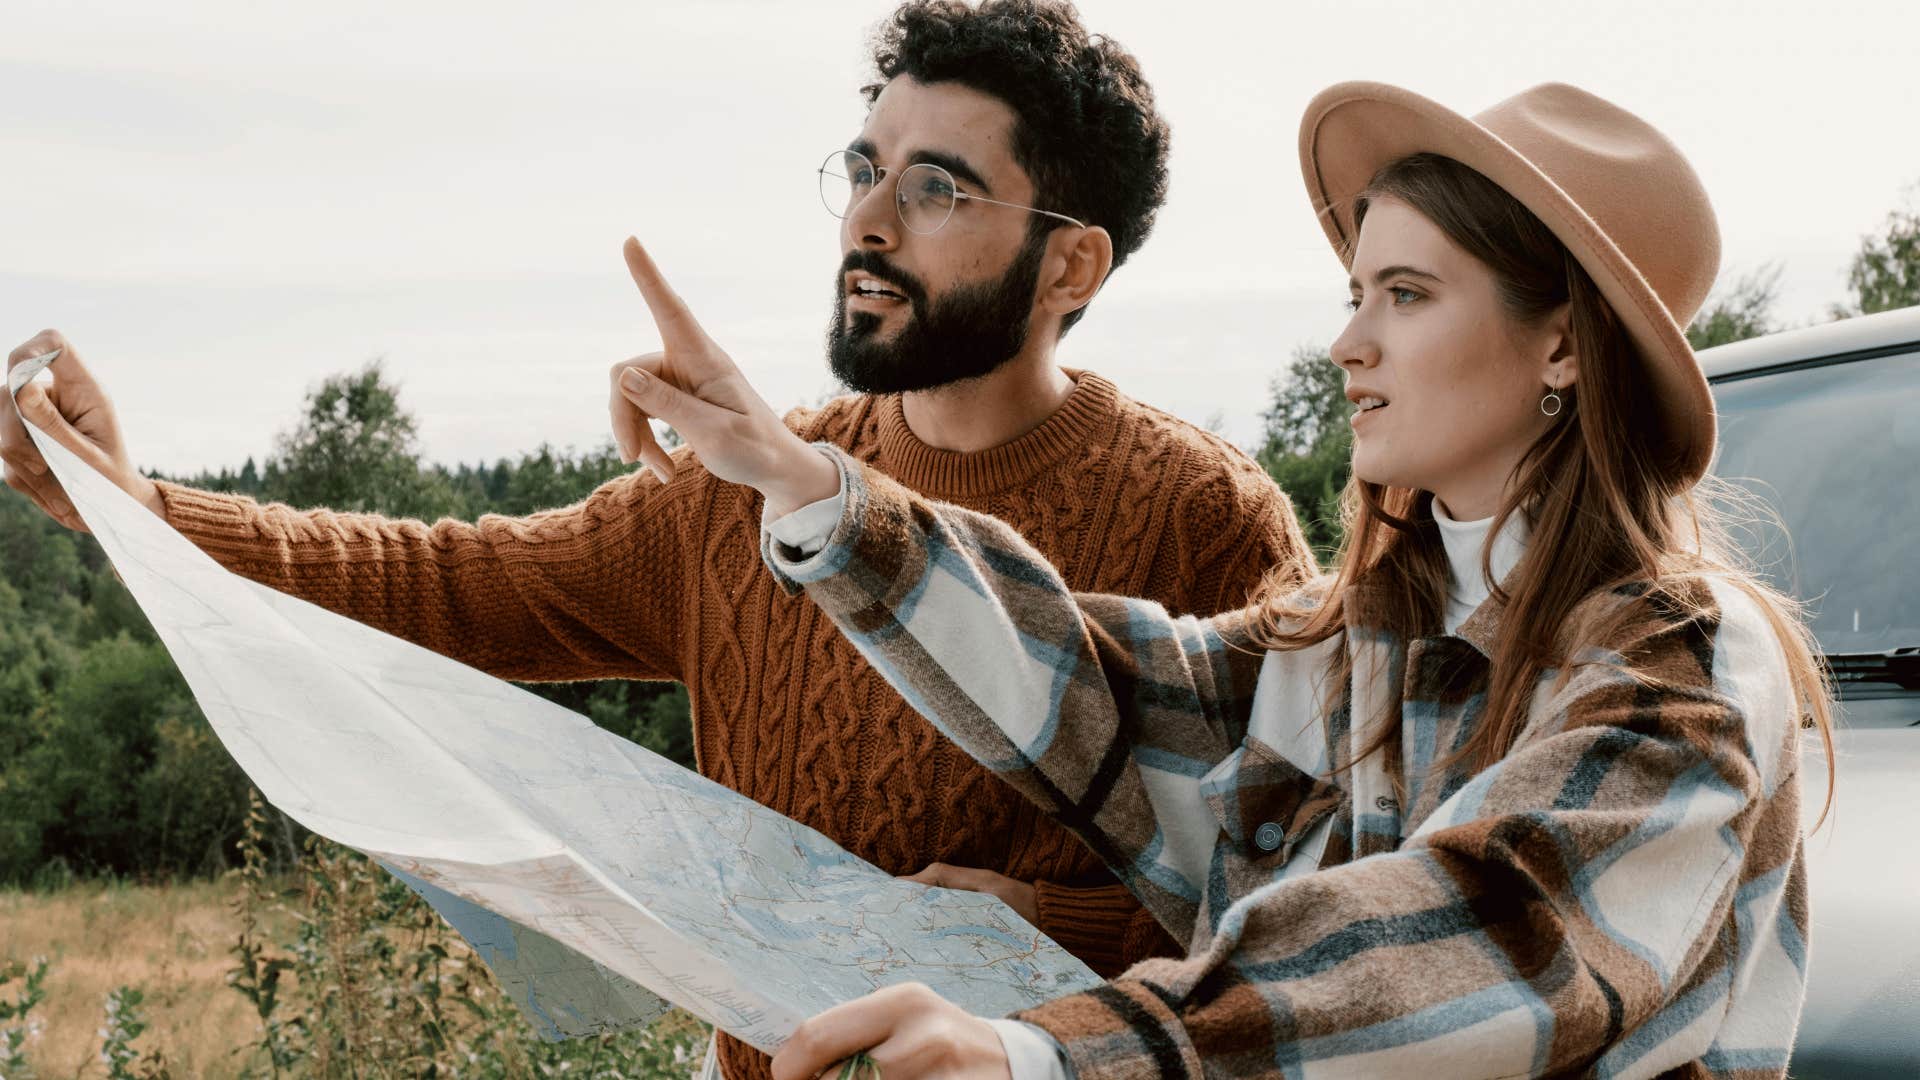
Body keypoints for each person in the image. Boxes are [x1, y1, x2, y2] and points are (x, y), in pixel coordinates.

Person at [0, 4, 1311, 1077]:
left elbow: (1310, 897)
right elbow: (445, 585)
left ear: (1071, 268)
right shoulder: (737, 492)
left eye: (937, 189)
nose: (868, 221)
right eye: (864, 170)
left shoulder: (1204, 518)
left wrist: (1052, 928)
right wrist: (130, 504)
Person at [599, 80, 1835, 1079]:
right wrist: (800, 480)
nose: (1348, 342)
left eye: (1405, 295)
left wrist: (1051, 1057)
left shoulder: (1680, 661)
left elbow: (1496, 939)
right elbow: (1104, 688)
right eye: (1356, 293)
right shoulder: (1364, 640)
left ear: (1561, 340)